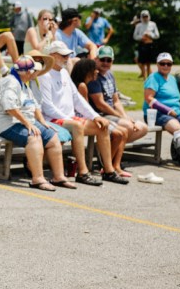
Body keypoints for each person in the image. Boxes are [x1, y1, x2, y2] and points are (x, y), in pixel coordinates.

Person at [0, 56, 75, 190]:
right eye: (33, 71)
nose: (35, 73)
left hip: (18, 120)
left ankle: (59, 177)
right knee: (33, 137)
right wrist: (27, 124)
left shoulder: (23, 83)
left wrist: (42, 122)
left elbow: (34, 105)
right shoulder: (11, 82)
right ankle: (37, 179)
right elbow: (10, 108)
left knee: (52, 136)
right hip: (2, 122)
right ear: (27, 72)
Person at [39, 40, 123, 185]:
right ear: (52, 55)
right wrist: (70, 119)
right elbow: (47, 107)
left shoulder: (64, 73)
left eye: (67, 55)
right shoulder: (44, 75)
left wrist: (95, 116)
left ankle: (108, 171)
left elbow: (77, 99)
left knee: (102, 125)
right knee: (77, 126)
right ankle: (83, 172)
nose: (67, 58)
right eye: (63, 55)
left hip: (67, 119)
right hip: (51, 119)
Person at [86, 46, 148, 177]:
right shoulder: (94, 77)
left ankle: (110, 158)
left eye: (109, 60)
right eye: (103, 59)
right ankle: (110, 164)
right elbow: (101, 105)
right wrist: (122, 118)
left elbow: (116, 101)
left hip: (112, 114)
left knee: (142, 128)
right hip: (100, 115)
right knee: (127, 127)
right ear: (96, 59)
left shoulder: (110, 75)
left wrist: (126, 116)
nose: (105, 63)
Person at [133, 10, 160, 79]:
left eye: (146, 16)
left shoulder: (153, 24)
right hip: (142, 44)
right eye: (144, 17)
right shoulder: (138, 25)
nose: (145, 18)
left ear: (148, 16)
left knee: (148, 62)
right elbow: (135, 36)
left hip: (150, 44)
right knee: (142, 61)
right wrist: (142, 37)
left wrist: (150, 35)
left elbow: (157, 35)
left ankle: (149, 76)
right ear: (141, 17)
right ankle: (144, 77)